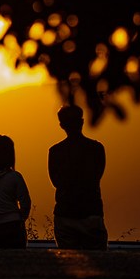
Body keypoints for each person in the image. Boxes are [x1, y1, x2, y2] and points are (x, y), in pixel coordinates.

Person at [48, 105, 109, 250]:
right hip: (91, 212)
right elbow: (97, 176)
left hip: (65, 214)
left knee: (68, 259)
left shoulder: (55, 151)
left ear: (62, 125)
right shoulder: (96, 149)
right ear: (82, 122)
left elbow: (56, 182)